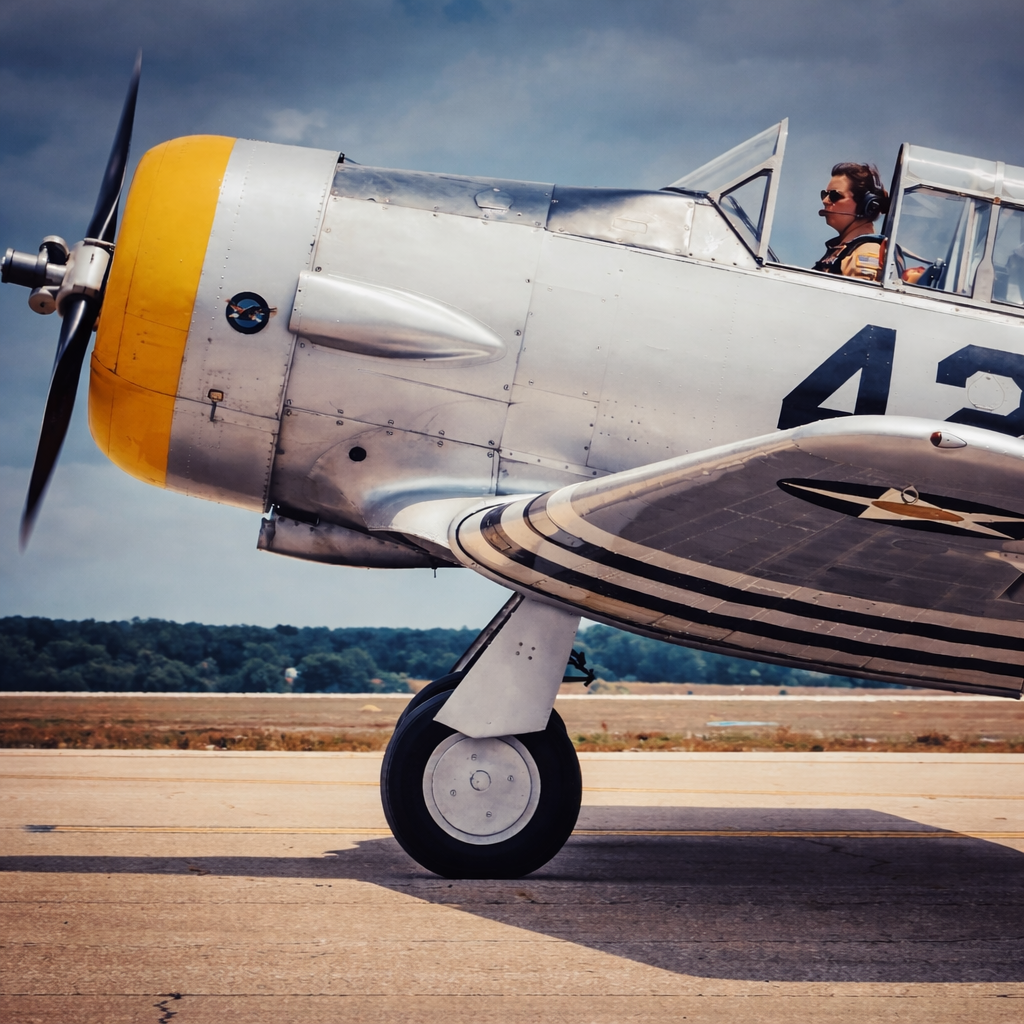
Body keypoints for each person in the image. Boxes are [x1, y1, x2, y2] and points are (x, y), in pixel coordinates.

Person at [813, 162, 890, 280]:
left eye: (834, 195)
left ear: (866, 204)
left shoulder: (866, 251)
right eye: (825, 194)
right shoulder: (841, 251)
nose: (825, 201)